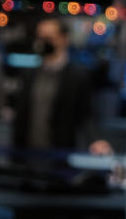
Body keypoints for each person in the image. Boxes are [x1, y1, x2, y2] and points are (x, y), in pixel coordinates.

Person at [12, 17, 110, 155]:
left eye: (49, 38)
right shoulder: (29, 74)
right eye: (40, 37)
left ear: (64, 39)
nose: (43, 43)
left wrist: (94, 140)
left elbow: (86, 115)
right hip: (27, 154)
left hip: (60, 155)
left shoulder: (77, 76)